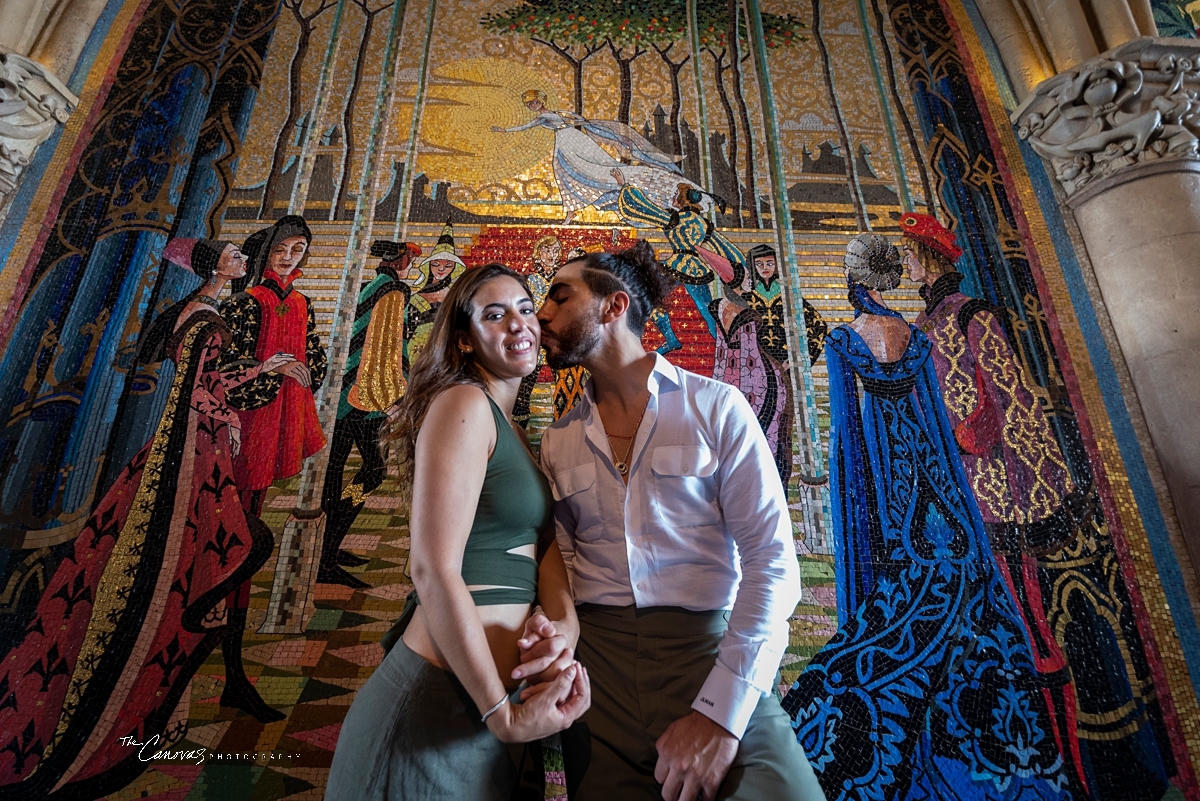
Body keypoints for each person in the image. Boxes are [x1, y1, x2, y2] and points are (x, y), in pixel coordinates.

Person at [782, 233, 1074, 799]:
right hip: (928, 460)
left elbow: (847, 426)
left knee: (896, 576)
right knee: (948, 574)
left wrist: (854, 492)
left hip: (877, 455)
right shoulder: (914, 336)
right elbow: (936, 417)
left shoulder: (846, 337)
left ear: (854, 280)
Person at [531, 241, 825, 801]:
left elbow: (771, 563)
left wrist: (720, 715)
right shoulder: (558, 437)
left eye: (559, 296)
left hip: (710, 654)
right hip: (598, 670)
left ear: (615, 307)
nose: (542, 312)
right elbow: (563, 566)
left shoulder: (718, 407)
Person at [901, 212, 1177, 797]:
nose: (903, 264)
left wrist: (1019, 485)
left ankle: (1088, 771)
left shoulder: (973, 316)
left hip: (1014, 504)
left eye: (908, 253)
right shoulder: (924, 323)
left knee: (1049, 634)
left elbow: (1012, 404)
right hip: (971, 500)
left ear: (927, 258)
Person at [0, 240, 285, 797]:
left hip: (191, 442)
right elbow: (197, 392)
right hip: (192, 449)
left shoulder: (203, 309)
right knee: (182, 566)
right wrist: (238, 403)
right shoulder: (202, 315)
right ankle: (132, 718)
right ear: (213, 266)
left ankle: (164, 715)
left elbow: (204, 385)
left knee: (191, 568)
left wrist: (263, 369)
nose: (241, 260)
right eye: (232, 255)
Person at [326, 263, 590, 801]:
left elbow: (542, 548)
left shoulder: (514, 428)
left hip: (491, 711)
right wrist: (501, 715)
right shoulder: (464, 403)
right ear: (466, 340)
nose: (518, 324)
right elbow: (432, 567)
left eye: (523, 308)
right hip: (436, 703)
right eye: (495, 315)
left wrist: (565, 626)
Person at [318, 239, 422, 589]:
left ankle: (326, 550)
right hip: (365, 398)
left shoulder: (370, 287)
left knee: (334, 473)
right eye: (410, 260)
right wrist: (392, 400)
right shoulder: (394, 292)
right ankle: (327, 551)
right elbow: (385, 348)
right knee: (372, 471)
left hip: (347, 393)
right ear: (401, 262)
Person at [219, 215, 328, 517]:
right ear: (267, 251)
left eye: (297, 249)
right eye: (281, 249)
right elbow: (225, 361)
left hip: (286, 402)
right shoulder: (243, 301)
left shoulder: (302, 302)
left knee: (262, 481)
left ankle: (247, 534)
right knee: (242, 475)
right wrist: (271, 368)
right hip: (251, 404)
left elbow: (312, 347)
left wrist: (311, 369)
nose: (288, 257)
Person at [491, 89, 708, 225]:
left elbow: (574, 118)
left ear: (541, 100)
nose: (533, 106)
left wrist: (584, 123)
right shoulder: (550, 116)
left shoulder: (551, 115)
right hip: (569, 140)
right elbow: (530, 125)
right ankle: (571, 211)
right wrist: (505, 131)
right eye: (529, 104)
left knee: (585, 170)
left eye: (534, 102)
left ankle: (574, 209)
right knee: (566, 173)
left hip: (572, 140)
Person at [711, 244, 827, 486]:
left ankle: (777, 476)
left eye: (769, 263)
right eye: (760, 264)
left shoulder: (788, 296)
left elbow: (818, 326)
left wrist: (797, 360)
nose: (765, 268)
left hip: (784, 369)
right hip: (754, 374)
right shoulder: (745, 299)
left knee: (782, 426)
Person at [613, 167, 738, 341]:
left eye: (676, 195)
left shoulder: (675, 219)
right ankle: (723, 343)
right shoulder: (703, 224)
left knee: (648, 294)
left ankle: (669, 338)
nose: (673, 198)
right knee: (707, 309)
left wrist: (624, 186)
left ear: (682, 199)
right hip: (698, 268)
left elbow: (645, 208)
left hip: (678, 264)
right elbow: (723, 247)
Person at [405, 220, 465, 372]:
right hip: (417, 349)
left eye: (447, 265)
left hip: (447, 347)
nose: (441, 269)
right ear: (429, 266)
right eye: (436, 264)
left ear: (454, 268)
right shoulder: (416, 297)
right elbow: (407, 330)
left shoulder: (456, 296)